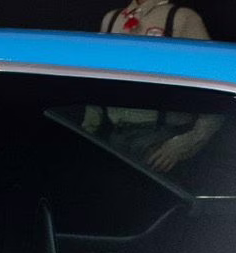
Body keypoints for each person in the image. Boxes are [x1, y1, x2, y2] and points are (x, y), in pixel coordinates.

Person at [92, 0, 219, 171]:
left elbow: (214, 87)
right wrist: (87, 129)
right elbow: (97, 80)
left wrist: (187, 142)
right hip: (113, 136)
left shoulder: (182, 18)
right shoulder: (112, 19)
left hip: (160, 143)